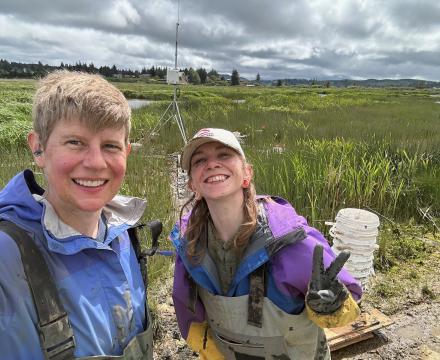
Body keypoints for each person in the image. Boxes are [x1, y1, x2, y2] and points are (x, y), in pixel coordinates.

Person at [170, 128, 363, 359]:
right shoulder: (190, 246)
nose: (212, 164)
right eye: (200, 160)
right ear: (193, 186)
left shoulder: (291, 241)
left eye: (224, 155)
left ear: (246, 174)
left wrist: (331, 306)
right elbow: (190, 315)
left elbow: (349, 306)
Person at [0, 70, 153, 359]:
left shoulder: (125, 232)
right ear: (38, 148)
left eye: (110, 146)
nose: (96, 162)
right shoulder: (6, 258)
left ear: (127, 153)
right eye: (75, 143)